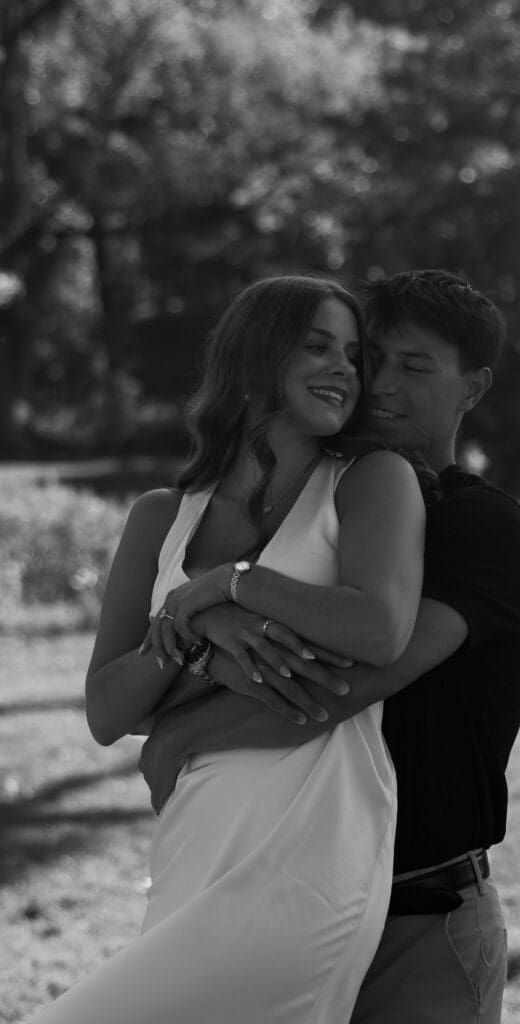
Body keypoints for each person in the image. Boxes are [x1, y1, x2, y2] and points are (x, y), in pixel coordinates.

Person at [139, 268, 520, 1024]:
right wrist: (206, 629)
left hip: (417, 918)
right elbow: (251, 661)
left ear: (473, 388)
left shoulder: (477, 524)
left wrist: (179, 736)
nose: (378, 383)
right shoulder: (320, 507)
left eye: (414, 367)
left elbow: (344, 681)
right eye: (370, 359)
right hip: (282, 906)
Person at [27, 274, 427, 1024]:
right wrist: (197, 630)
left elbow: (379, 627)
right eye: (317, 347)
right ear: (254, 358)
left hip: (313, 845)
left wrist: (231, 585)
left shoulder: (372, 480)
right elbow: (108, 710)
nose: (343, 369)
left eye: (352, 355)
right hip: (193, 835)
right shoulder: (160, 517)